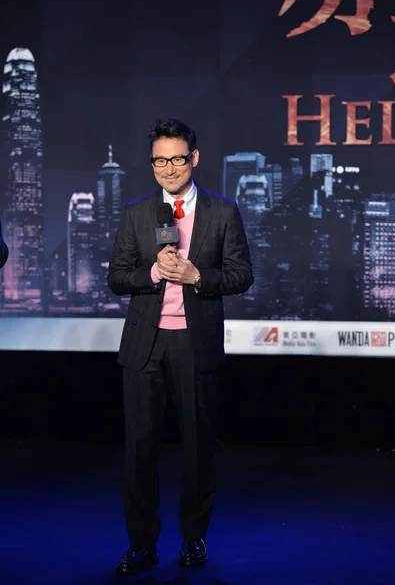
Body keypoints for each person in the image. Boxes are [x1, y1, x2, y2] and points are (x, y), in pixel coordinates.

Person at [108, 118, 253, 574]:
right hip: (144, 347)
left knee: (196, 448)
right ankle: (142, 545)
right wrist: (152, 273)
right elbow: (116, 277)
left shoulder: (222, 211)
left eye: (176, 158)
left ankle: (194, 539)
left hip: (196, 343)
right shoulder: (136, 212)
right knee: (139, 449)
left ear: (194, 158)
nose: (168, 168)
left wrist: (197, 277)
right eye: (159, 160)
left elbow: (242, 275)